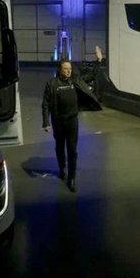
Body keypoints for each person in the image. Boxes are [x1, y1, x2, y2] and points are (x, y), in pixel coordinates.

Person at [42, 59, 101, 192]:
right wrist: (46, 122)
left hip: (72, 122)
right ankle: (62, 168)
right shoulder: (52, 84)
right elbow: (45, 103)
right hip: (58, 122)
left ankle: (72, 178)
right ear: (60, 69)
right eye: (65, 68)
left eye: (70, 68)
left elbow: (91, 76)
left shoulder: (75, 81)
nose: (68, 71)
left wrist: (98, 61)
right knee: (60, 148)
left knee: (72, 150)